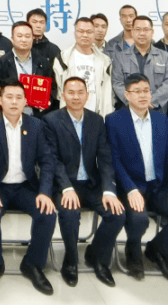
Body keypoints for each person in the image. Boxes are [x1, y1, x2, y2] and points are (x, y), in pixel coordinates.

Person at [106, 74, 168, 284]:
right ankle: (133, 249)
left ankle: (159, 251)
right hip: (131, 188)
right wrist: (130, 189)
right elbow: (114, 161)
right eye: (137, 91)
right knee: (139, 220)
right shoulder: (114, 120)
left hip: (159, 187)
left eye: (146, 91)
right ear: (126, 95)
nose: (143, 95)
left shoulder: (161, 119)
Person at [0, 78, 57, 295]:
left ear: (25, 101)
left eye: (19, 97)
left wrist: (45, 193)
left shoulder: (35, 125)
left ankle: (33, 264)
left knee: (47, 213)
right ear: (0, 100)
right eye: (9, 97)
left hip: (25, 187)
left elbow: (47, 161)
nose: (14, 102)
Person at [43, 77, 125, 288]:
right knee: (70, 213)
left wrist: (109, 190)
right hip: (64, 184)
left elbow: (105, 158)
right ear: (63, 96)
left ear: (87, 96)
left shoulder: (96, 121)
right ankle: (70, 261)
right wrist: (66, 187)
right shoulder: (51, 120)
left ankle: (97, 256)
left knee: (117, 213)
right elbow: (52, 159)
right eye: (71, 92)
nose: (76, 97)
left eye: (81, 92)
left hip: (91, 183)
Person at [110, 15, 168, 113]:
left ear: (152, 32)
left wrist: (151, 101)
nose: (142, 33)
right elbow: (117, 83)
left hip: (156, 110)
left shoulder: (164, 56)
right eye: (138, 29)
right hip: (129, 110)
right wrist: (134, 102)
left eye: (145, 30)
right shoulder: (120, 57)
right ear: (132, 32)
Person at [54, 17, 113, 116]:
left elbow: (107, 92)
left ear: (94, 34)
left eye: (89, 32)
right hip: (69, 115)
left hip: (96, 115)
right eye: (81, 31)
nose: (85, 35)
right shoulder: (63, 59)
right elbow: (59, 90)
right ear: (75, 33)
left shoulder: (105, 61)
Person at [0, 21, 54, 115]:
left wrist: (47, 100)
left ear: (32, 38)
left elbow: (52, 88)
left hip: (36, 115)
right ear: (12, 38)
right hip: (9, 114)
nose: (23, 40)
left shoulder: (43, 62)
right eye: (19, 36)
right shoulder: (2, 62)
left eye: (27, 36)